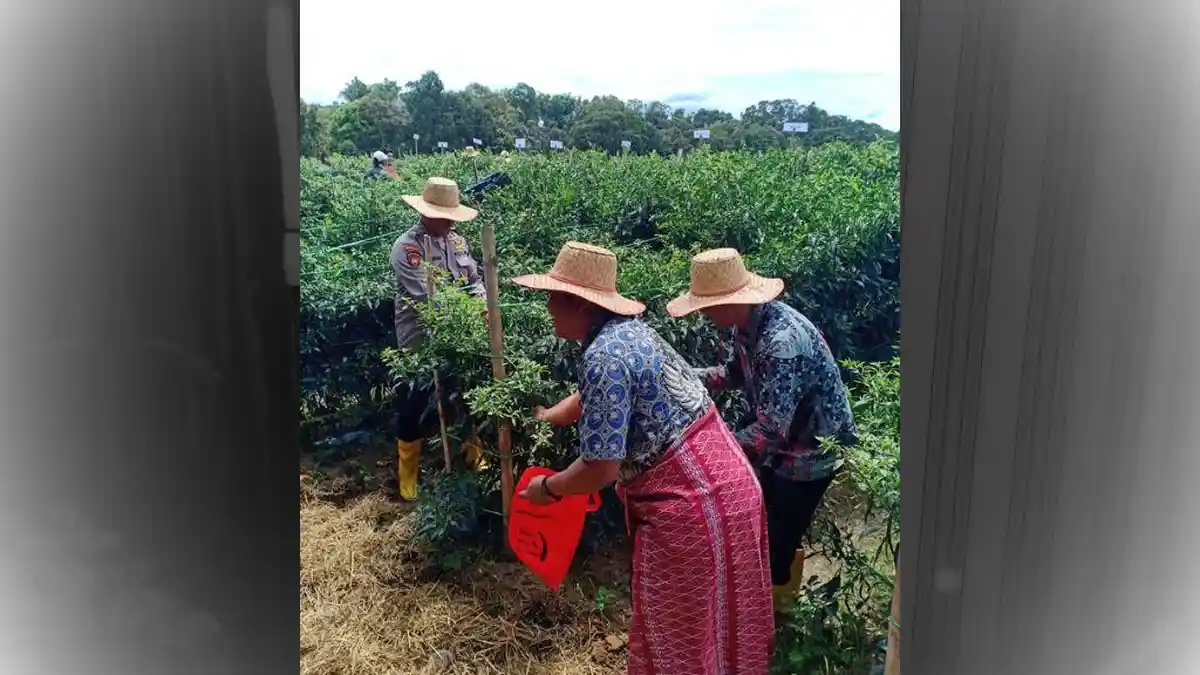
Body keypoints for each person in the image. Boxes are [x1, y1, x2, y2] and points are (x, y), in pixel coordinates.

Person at [514, 242, 774, 675]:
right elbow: (609, 395)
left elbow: (600, 468)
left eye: (553, 297)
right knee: (723, 625)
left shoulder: (604, 357)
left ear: (578, 305)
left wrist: (549, 488)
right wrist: (553, 414)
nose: (547, 307)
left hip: (693, 507)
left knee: (678, 638)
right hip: (731, 489)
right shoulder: (630, 333)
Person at [666, 248, 859, 613]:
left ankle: (767, 624)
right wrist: (687, 377)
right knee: (753, 525)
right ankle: (760, 604)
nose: (704, 315)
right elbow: (735, 374)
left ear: (730, 301)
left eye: (706, 307)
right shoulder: (748, 326)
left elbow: (770, 431)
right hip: (783, 442)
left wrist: (710, 451)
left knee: (773, 543)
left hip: (808, 453)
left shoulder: (779, 343)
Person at [390, 176, 489, 500]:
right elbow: (428, 299)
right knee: (414, 402)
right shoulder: (408, 248)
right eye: (442, 216)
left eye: (451, 218)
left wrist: (482, 305)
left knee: (464, 394)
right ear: (425, 212)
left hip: (460, 334)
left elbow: (474, 281)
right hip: (420, 339)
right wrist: (468, 314)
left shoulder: (458, 242)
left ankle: (472, 456)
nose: (447, 223)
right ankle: (407, 476)